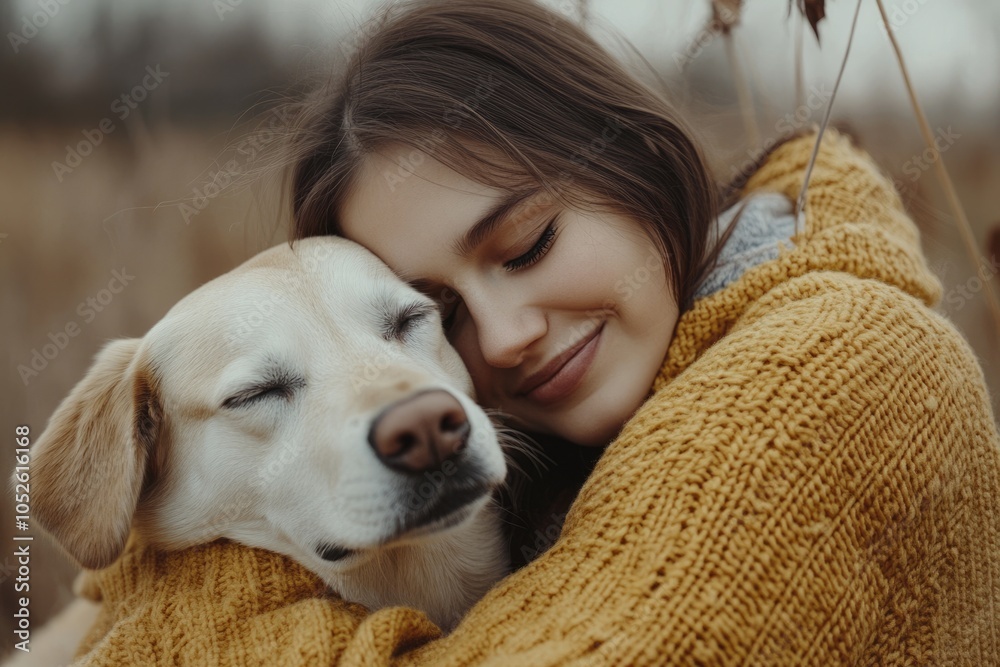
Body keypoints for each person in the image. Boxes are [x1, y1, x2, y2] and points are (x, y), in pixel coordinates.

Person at [69, 0, 1000, 664]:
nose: (506, 337)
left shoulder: (847, 360)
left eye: (531, 242)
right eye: (448, 311)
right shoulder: (567, 441)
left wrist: (165, 603)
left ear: (634, 151)